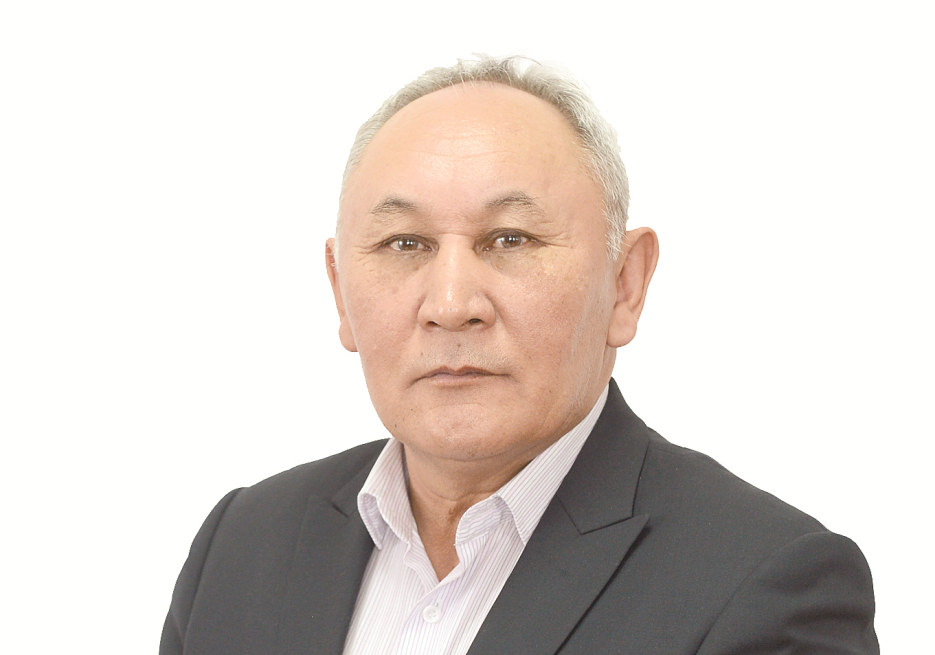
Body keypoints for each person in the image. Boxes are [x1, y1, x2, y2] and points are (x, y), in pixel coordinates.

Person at [161, 56, 878, 655]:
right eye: (404, 243)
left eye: (510, 239)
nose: (450, 303)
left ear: (625, 284)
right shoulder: (243, 545)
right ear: (340, 292)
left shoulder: (765, 587)